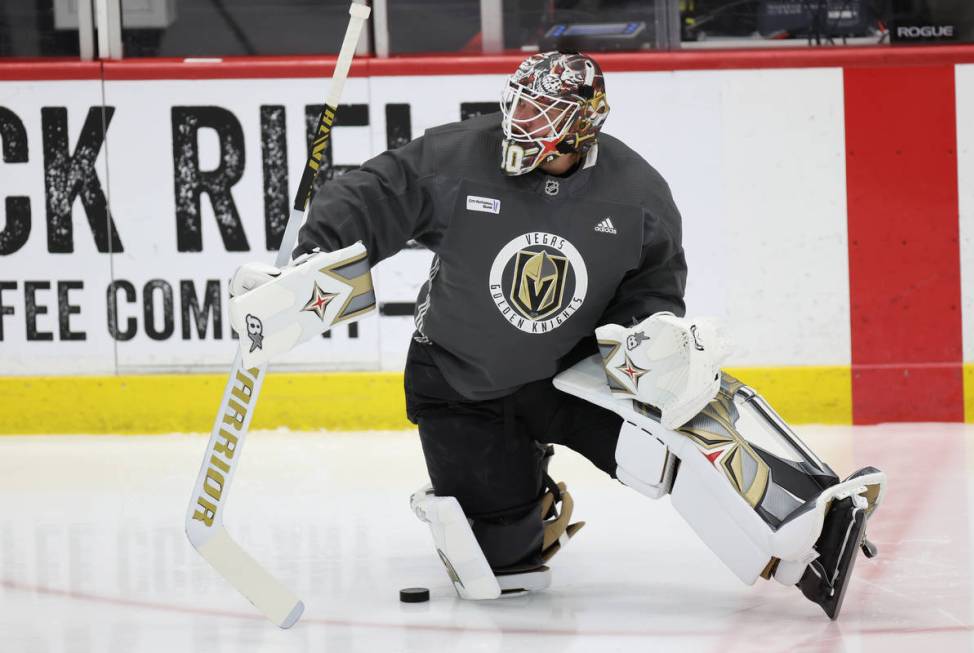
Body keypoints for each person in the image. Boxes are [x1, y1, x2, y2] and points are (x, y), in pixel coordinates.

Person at [230, 50, 884, 618]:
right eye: (521, 106)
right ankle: (523, 500)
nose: (522, 123)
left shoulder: (638, 196)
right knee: (502, 569)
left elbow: (654, 291)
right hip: (459, 381)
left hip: (571, 373)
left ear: (583, 126)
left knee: (678, 419)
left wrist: (642, 340)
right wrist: (310, 262)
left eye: (543, 115)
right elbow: (374, 192)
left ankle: (813, 532)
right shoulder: (461, 156)